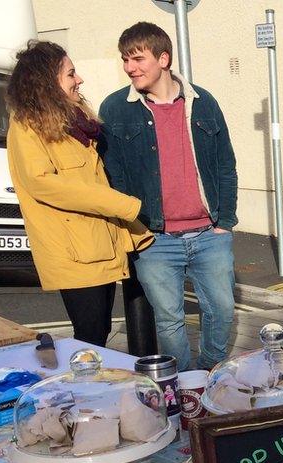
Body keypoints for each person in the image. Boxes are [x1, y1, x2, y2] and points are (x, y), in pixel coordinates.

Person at [99, 22, 238, 371]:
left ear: (163, 58)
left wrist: (225, 222)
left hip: (209, 233)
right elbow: (112, 174)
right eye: (125, 60)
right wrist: (132, 227)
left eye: (137, 58)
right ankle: (185, 385)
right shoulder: (116, 108)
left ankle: (209, 372)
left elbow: (225, 164)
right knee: (169, 321)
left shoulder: (203, 103)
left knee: (221, 310)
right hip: (154, 237)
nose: (130, 67)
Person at [5, 41, 153, 347]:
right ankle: (83, 393)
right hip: (75, 252)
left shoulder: (74, 121)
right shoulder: (27, 127)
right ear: (46, 82)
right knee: (89, 339)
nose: (79, 79)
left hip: (100, 243)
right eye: (71, 74)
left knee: (97, 335)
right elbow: (43, 183)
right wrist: (123, 205)